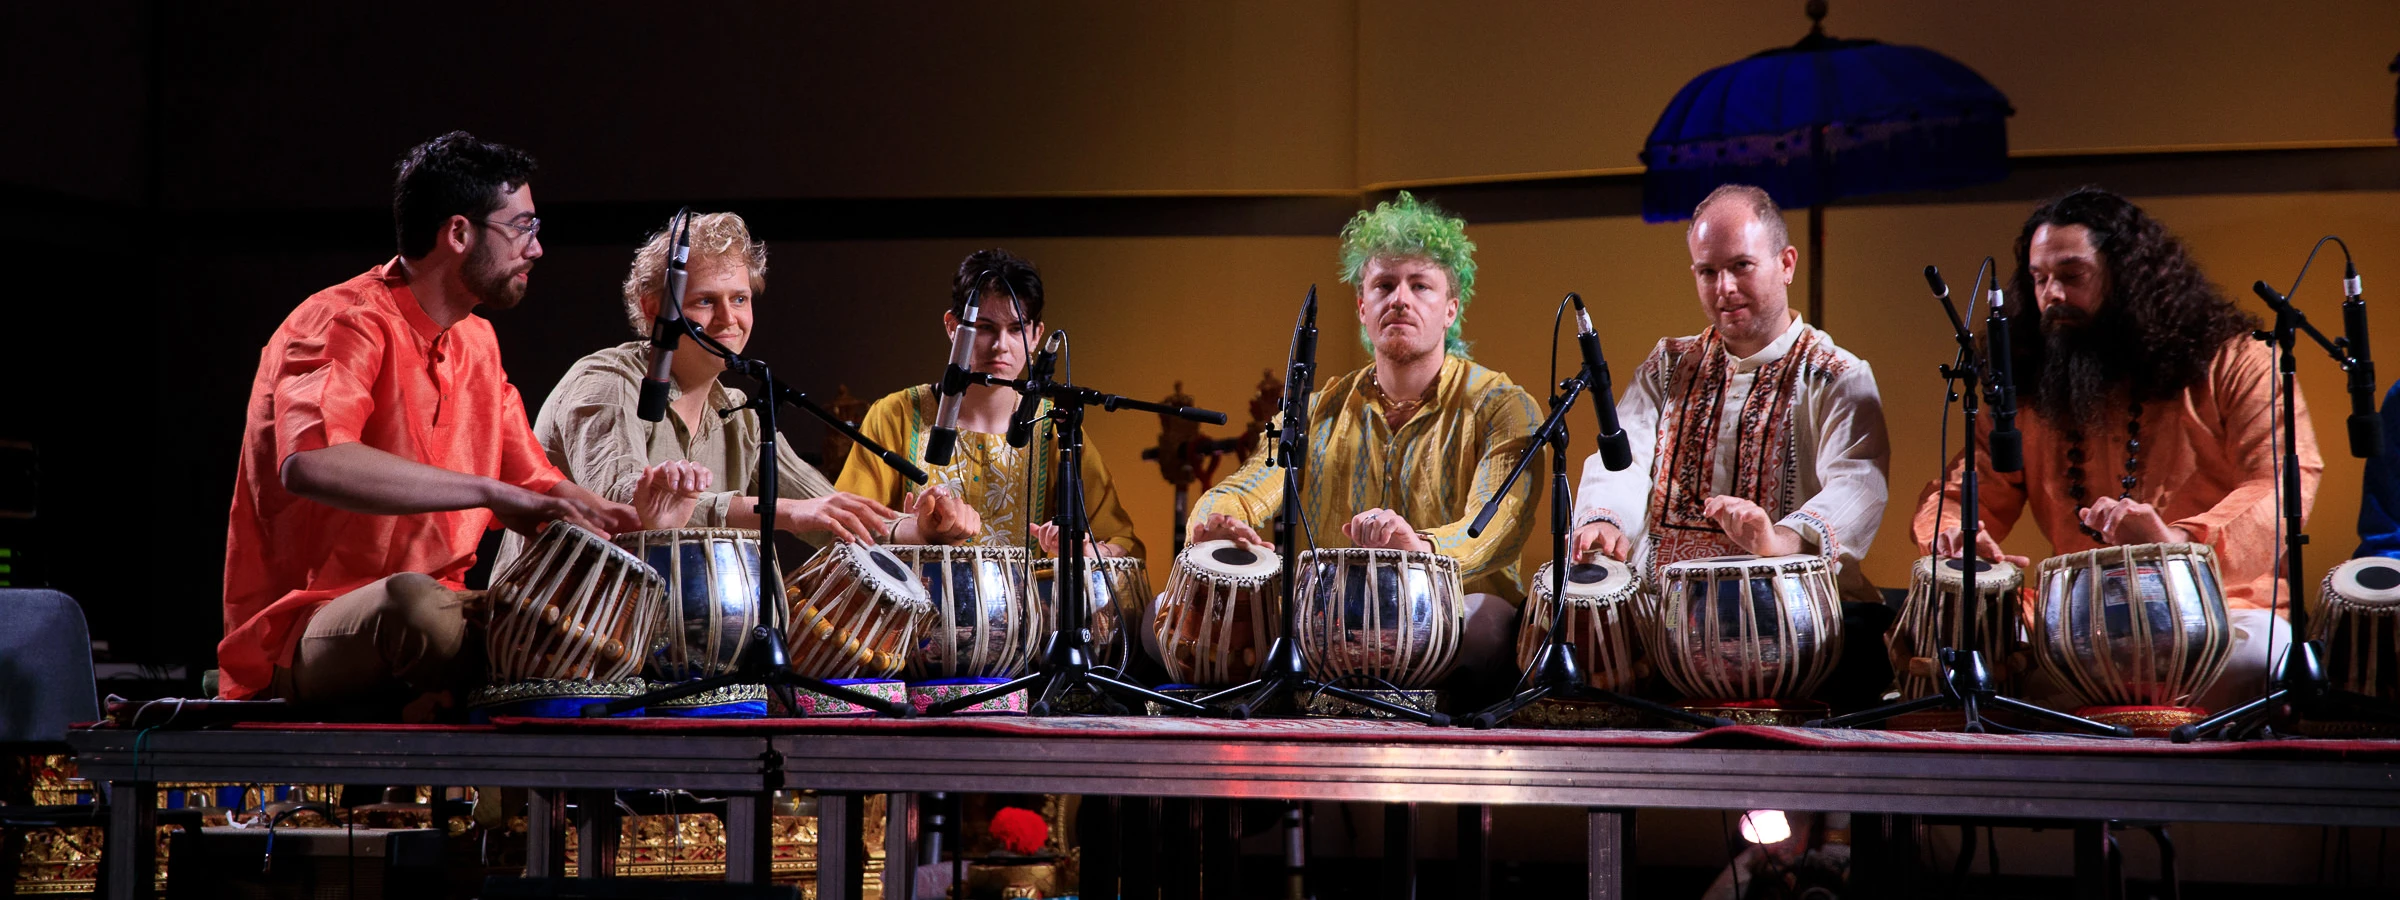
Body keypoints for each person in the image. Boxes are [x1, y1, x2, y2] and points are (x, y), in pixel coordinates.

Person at [220, 132, 672, 710]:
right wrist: (489, 493)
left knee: (602, 607)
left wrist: (633, 527)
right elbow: (311, 461)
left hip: (451, 614)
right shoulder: (342, 321)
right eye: (523, 228)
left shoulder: (478, 341)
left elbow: (536, 485)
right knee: (416, 608)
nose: (536, 249)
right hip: (305, 630)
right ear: (459, 233)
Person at [1913, 186, 2321, 711]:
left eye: (2071, 276)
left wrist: (2177, 546)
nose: (2051, 295)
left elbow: (2286, 481)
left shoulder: (2235, 360)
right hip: (2079, 624)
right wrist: (1956, 538)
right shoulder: (2027, 383)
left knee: (2251, 665)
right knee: (1982, 666)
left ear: (2127, 275)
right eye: (2039, 279)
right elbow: (1968, 485)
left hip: (2223, 609)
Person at [1186, 192, 1541, 676]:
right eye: (1384, 285)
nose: (1400, 299)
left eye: (1420, 286)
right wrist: (1218, 520)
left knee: (1489, 627)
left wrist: (1420, 549)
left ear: (1451, 308)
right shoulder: (1309, 412)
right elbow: (1250, 484)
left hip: (1450, 614)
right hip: (1327, 620)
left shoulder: (1503, 408)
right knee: (1161, 614)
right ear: (1361, 307)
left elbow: (1496, 526)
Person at [493, 211, 918, 574]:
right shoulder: (605, 380)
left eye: (739, 298)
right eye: (704, 302)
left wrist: (915, 529)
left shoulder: (739, 415)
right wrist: (782, 513)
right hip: (563, 633)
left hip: (676, 642)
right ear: (653, 308)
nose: (728, 318)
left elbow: (825, 512)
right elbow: (622, 502)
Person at [1569, 184, 1890, 605]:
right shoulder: (1667, 365)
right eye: (1708, 271)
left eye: (1741, 265)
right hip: (1661, 612)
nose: (1725, 288)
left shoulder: (1837, 376)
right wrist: (1605, 520)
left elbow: (1858, 486)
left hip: (1790, 614)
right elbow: (1621, 460)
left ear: (1787, 263)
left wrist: (1781, 538)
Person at [836, 249, 1142, 557]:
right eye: (985, 328)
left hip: (1026, 607)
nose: (1000, 346)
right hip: (917, 604)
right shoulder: (897, 414)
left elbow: (1123, 544)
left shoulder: (1054, 425)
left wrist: (1090, 553)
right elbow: (843, 526)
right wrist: (910, 529)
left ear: (1036, 335)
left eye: (1015, 329)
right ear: (953, 327)